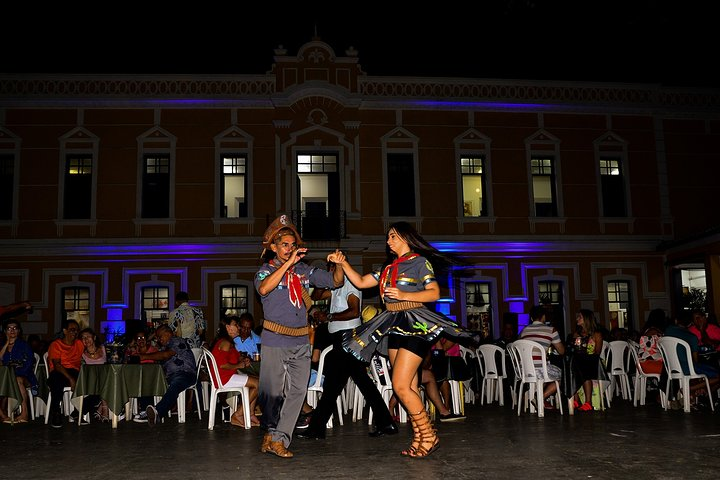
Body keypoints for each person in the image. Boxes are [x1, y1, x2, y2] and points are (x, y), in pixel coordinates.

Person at [339, 221, 479, 458]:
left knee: (400, 386)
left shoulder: (419, 262)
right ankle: (419, 437)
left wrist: (404, 294)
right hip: (392, 325)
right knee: (410, 386)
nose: (388, 241)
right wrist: (342, 263)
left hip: (416, 324)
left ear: (405, 238)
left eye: (392, 236)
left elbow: (434, 293)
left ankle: (429, 435)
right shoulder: (387, 268)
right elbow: (362, 283)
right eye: (388, 237)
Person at [254, 214, 344, 458]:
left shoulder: (303, 271)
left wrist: (339, 264)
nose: (290, 249)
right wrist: (287, 264)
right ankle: (271, 433)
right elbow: (264, 289)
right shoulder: (265, 271)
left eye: (293, 245)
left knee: (297, 392)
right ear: (273, 247)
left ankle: (280, 438)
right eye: (285, 244)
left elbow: (335, 282)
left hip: (301, 341)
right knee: (271, 394)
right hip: (274, 340)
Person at [297, 258, 397, 440]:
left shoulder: (350, 284)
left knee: (335, 386)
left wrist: (329, 316)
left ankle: (317, 428)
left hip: (348, 337)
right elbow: (317, 296)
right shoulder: (336, 286)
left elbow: (354, 311)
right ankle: (386, 422)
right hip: (340, 338)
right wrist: (323, 280)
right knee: (352, 383)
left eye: (332, 268)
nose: (330, 272)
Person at [137, 324, 196, 426]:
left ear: (168, 334)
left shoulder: (177, 341)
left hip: (185, 374)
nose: (159, 340)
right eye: (158, 338)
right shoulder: (164, 347)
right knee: (148, 379)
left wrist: (142, 357)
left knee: (175, 383)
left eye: (160, 336)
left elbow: (166, 355)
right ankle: (146, 411)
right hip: (170, 376)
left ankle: (158, 412)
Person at [210, 316, 260, 427]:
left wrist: (242, 359)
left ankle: (250, 413)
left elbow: (235, 357)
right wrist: (239, 365)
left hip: (226, 376)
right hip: (224, 378)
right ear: (228, 327)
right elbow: (223, 365)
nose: (238, 327)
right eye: (236, 325)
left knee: (257, 381)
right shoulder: (225, 343)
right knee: (258, 384)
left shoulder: (228, 342)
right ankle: (237, 415)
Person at [664, 310, 720, 406]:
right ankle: (691, 391)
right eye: (695, 318)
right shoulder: (691, 336)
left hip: (670, 367)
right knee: (712, 373)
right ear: (691, 323)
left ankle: (699, 394)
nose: (698, 320)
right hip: (689, 367)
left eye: (700, 317)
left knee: (703, 372)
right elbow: (695, 361)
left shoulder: (668, 330)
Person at [518, 305, 565, 410]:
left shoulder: (523, 331)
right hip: (539, 370)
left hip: (523, 370)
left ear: (531, 318)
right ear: (544, 317)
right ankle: (540, 398)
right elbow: (562, 351)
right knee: (562, 376)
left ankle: (537, 396)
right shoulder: (551, 330)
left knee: (544, 373)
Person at [46, 319, 84, 428]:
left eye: (77, 330)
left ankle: (78, 411)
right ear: (65, 331)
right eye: (72, 330)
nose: (75, 332)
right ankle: (56, 412)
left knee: (92, 381)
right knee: (56, 380)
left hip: (75, 371)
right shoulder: (56, 345)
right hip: (59, 371)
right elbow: (57, 365)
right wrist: (71, 379)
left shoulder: (79, 344)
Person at [0, 319, 38, 423]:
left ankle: (24, 413)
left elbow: (29, 363)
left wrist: (16, 373)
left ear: (19, 331)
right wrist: (7, 343)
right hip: (5, 378)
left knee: (17, 379)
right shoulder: (2, 345)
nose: (12, 330)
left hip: (23, 376)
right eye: (9, 328)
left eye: (15, 328)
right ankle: (2, 415)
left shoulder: (24, 345)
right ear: (5, 331)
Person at [570, 309, 604, 412]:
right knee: (571, 368)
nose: (577, 319)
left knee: (583, 368)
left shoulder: (596, 334)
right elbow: (574, 350)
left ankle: (588, 402)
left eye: (579, 317)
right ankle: (576, 400)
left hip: (594, 362)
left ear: (586, 319)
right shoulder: (577, 334)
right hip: (580, 361)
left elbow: (597, 352)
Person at [125, 329, 160, 422]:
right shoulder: (134, 353)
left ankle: (145, 411)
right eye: (138, 338)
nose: (141, 340)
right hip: (136, 379)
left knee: (144, 382)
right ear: (136, 340)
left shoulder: (153, 350)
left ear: (147, 339)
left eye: (143, 337)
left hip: (152, 378)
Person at [78, 327, 109, 423]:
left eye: (88, 336)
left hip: (106, 381)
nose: (86, 339)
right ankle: (105, 409)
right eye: (83, 338)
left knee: (107, 381)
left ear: (94, 338)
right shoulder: (81, 354)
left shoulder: (104, 349)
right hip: (91, 383)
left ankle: (101, 407)